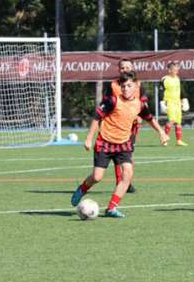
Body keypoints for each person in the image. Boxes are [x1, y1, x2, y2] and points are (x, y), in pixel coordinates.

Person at [71, 71, 169, 218]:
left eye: (129, 86)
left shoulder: (139, 104)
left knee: (128, 174)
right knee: (97, 177)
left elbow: (150, 118)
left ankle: (111, 208)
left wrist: (161, 132)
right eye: (123, 86)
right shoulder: (112, 100)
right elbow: (97, 117)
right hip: (105, 142)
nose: (126, 89)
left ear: (136, 86)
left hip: (123, 144)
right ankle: (82, 188)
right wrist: (89, 138)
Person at [103, 58, 148, 193]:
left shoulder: (138, 85)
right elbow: (105, 105)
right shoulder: (112, 85)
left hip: (132, 125)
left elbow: (143, 102)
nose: (125, 70)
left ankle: (125, 181)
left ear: (132, 68)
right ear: (119, 69)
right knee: (119, 155)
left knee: (127, 155)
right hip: (115, 126)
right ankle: (121, 183)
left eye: (128, 67)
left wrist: (140, 116)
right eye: (123, 68)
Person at [160, 61, 189, 146]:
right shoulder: (164, 79)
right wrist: (162, 102)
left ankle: (178, 140)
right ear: (169, 70)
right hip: (169, 102)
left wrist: (184, 99)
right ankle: (164, 139)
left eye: (177, 69)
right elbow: (161, 91)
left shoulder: (177, 78)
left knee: (178, 122)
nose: (176, 71)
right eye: (174, 69)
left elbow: (181, 90)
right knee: (171, 120)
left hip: (177, 102)